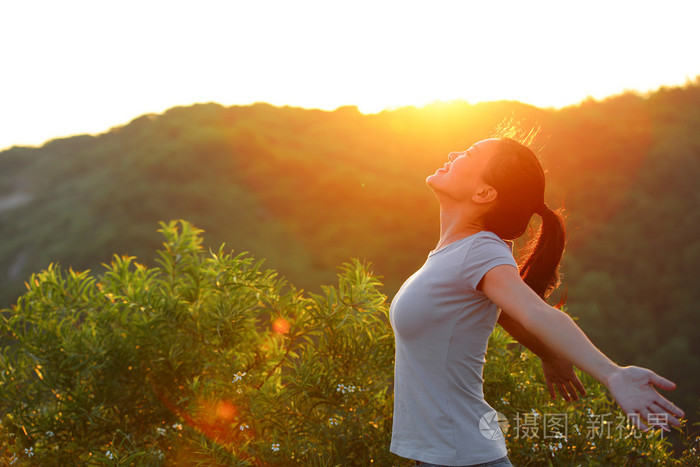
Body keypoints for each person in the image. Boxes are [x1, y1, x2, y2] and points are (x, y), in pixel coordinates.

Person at [388, 136, 685, 467]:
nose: (453, 153)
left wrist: (612, 374)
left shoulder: (481, 251)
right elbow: (505, 314)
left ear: (484, 193)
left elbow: (534, 311)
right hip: (442, 455)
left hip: (462, 457)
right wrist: (547, 353)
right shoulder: (456, 254)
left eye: (468, 154)